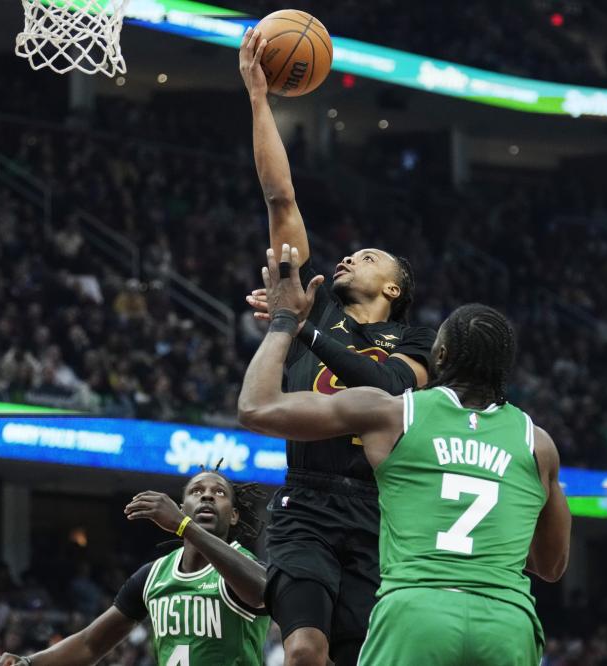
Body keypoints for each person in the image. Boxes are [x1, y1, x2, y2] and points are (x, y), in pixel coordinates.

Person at [238, 245, 572, 665]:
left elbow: (255, 408)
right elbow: (551, 564)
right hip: (506, 621)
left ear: (440, 357)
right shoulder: (537, 442)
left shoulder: (399, 415)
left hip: (416, 609)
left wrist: (286, 321)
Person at [238, 28, 437, 666]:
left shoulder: (417, 340)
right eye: (351, 253)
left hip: (378, 509)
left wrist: (303, 329)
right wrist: (260, 101)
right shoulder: (315, 302)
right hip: (306, 497)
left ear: (394, 287)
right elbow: (281, 198)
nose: (349, 257)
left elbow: (390, 389)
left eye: (368, 257)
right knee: (302, 650)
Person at [0, 470, 271, 666]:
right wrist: (30, 662)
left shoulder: (247, 567)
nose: (207, 496)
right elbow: (90, 644)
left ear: (234, 515)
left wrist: (184, 526)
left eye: (219, 492)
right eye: (197, 491)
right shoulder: (153, 576)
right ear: (182, 507)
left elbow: (262, 591)